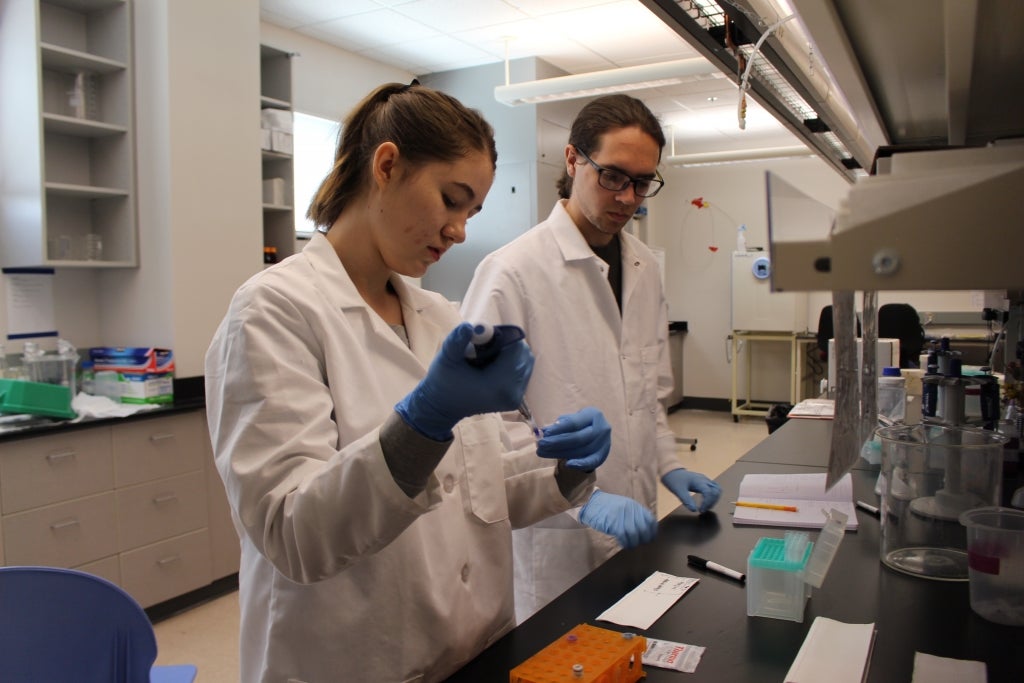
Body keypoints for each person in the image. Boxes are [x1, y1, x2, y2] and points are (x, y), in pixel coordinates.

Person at [205, 82, 615, 683]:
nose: (459, 232)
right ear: (388, 165)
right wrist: (422, 423)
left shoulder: (439, 316)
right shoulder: (272, 313)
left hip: (475, 646)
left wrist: (564, 466)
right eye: (452, 200)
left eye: (471, 212)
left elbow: (479, 486)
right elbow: (293, 534)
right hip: (351, 663)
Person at [461, 94, 722, 622]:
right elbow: (484, 423)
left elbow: (646, 392)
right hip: (557, 541)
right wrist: (581, 497)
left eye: (642, 182)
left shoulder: (644, 265)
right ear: (573, 159)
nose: (628, 197)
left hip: (638, 519)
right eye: (613, 176)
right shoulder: (512, 271)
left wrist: (668, 465)